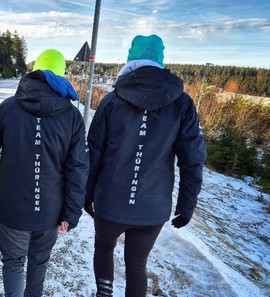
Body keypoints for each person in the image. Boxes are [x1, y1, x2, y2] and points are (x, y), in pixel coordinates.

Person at [85, 34, 206, 297]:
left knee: (104, 249)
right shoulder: (183, 104)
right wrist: (186, 205)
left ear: (130, 62)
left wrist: (87, 194)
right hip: (153, 207)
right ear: (160, 62)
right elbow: (192, 159)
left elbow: (94, 152)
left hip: (111, 203)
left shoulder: (112, 100)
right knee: (137, 264)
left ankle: (103, 294)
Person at [0, 49, 89, 297]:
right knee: (38, 263)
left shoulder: (9, 108)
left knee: (13, 263)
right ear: (61, 76)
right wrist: (71, 212)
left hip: (13, 210)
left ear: (34, 72)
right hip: (50, 212)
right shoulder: (72, 116)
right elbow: (78, 168)